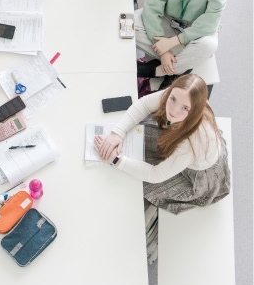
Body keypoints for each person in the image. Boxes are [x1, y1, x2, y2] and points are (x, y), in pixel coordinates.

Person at [94, 74, 230, 262]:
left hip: (197, 174)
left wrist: (117, 160)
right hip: (184, 143)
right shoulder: (179, 95)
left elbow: (156, 175)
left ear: (194, 110)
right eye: (172, 99)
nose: (172, 110)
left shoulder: (193, 142)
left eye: (184, 108)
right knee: (139, 140)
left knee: (138, 184)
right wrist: (117, 132)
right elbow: (143, 104)